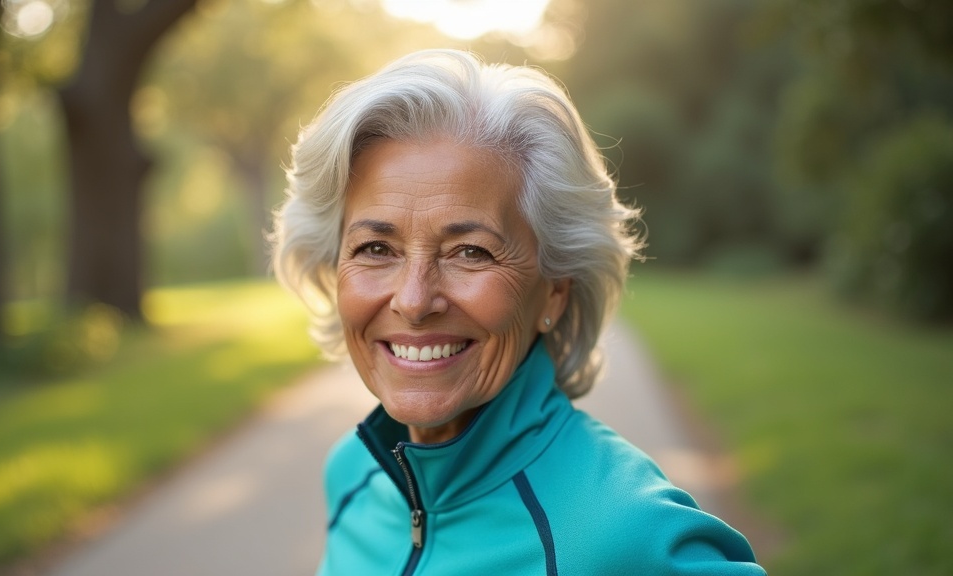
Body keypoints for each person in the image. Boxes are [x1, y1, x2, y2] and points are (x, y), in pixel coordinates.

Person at [273, 49, 765, 576]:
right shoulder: (352, 475)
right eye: (376, 248)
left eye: (470, 252)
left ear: (554, 289)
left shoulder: (626, 534)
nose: (414, 301)